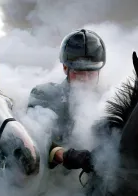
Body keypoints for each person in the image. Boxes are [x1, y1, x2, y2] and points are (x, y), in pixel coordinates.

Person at [27, 28, 106, 172]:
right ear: (65, 68)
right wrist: (64, 155)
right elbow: (34, 139)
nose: (86, 79)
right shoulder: (44, 94)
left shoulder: (107, 98)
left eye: (92, 73)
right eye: (78, 73)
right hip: (56, 183)